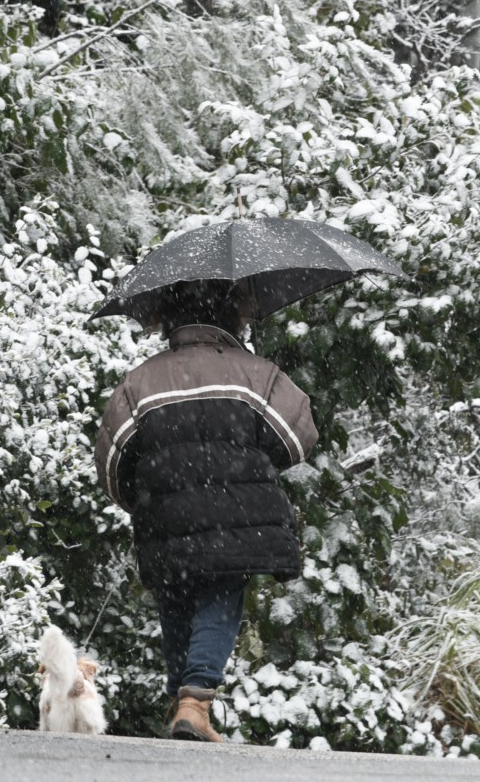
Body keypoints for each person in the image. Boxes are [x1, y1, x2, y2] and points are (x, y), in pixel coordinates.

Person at [93, 285, 319, 743]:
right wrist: (247, 454)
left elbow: (113, 466)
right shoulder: (258, 375)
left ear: (167, 317)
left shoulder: (138, 383)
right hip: (235, 518)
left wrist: (147, 500)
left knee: (176, 602)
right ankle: (194, 705)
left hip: (164, 519)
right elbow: (300, 440)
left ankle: (184, 706)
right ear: (235, 314)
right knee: (219, 595)